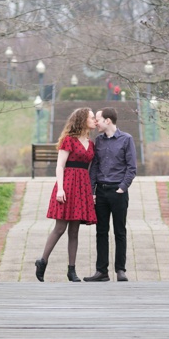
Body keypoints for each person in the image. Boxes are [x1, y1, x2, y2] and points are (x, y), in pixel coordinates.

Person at [35, 107, 97, 282]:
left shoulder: (91, 143)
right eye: (92, 117)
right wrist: (60, 189)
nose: (95, 120)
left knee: (75, 231)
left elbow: (91, 168)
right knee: (60, 228)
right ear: (82, 119)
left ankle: (71, 270)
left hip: (82, 187)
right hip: (68, 185)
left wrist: (91, 191)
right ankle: (42, 261)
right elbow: (60, 166)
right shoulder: (68, 140)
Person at [85, 107, 137, 282]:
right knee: (101, 231)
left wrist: (122, 187)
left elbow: (132, 168)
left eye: (98, 119)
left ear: (108, 121)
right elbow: (95, 167)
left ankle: (120, 270)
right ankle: (102, 271)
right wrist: (92, 191)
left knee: (120, 231)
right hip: (100, 191)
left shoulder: (126, 139)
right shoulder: (98, 141)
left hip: (118, 192)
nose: (96, 122)